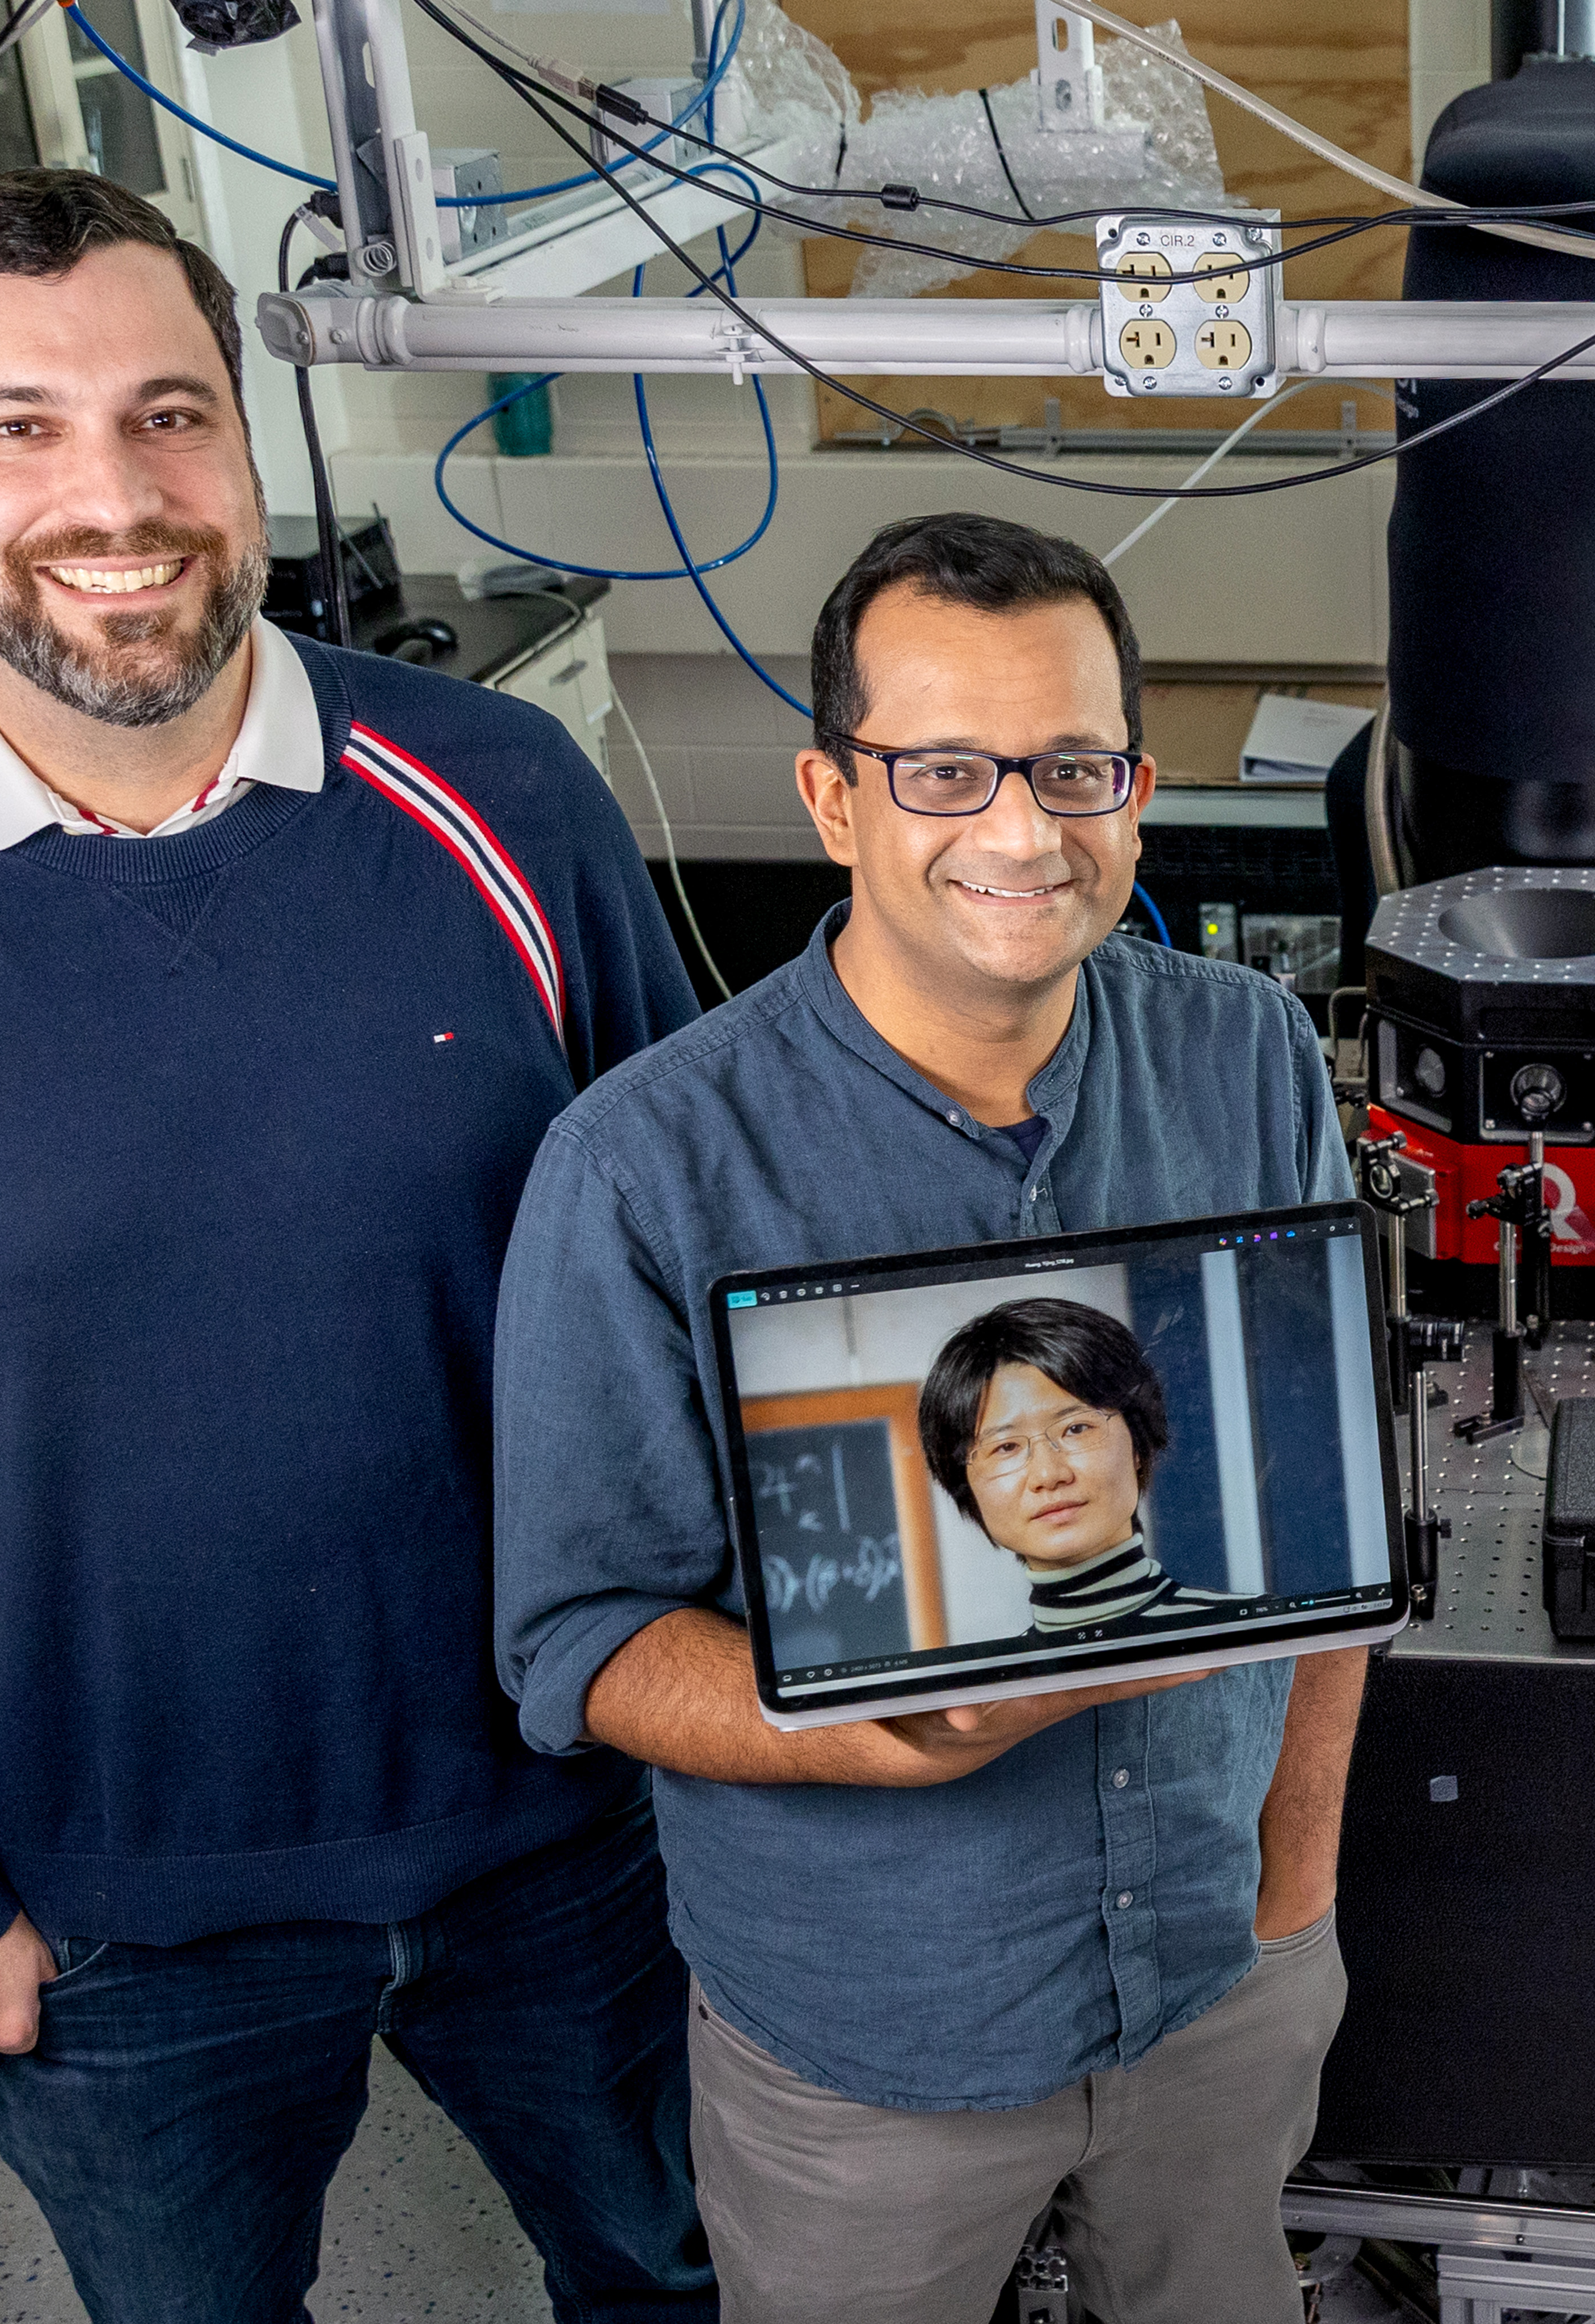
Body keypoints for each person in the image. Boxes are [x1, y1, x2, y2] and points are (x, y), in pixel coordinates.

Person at [0, 172, 711, 2320]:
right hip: (107, 1909)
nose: (113, 495)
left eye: (169, 414)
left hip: (572, 1831)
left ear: (248, 443)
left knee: (661, 2275)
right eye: (17, 426)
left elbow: (688, 1285)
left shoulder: (505, 794)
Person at [492, 512, 1365, 2324]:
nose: (1023, 832)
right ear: (831, 796)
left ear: (1133, 782)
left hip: (1221, 1971)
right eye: (947, 769)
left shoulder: (1247, 1054)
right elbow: (576, 1645)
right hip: (869, 2036)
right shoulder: (646, 1166)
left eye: (1073, 765)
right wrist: (890, 1736)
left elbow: (1326, 1501)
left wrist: (1296, 1873)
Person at [921, 1296, 1230, 1632]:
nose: (1048, 1475)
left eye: (1076, 1428)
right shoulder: (995, 1685)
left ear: (1137, 1445)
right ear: (965, 1484)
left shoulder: (1260, 1643)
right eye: (1006, 1447)